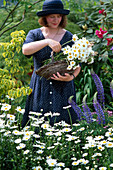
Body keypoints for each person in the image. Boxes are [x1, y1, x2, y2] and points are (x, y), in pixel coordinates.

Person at [21, 0, 81, 128]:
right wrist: (47, 41)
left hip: (63, 88)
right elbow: (25, 50)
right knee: (38, 123)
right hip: (40, 86)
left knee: (64, 124)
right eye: (52, 16)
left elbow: (77, 64)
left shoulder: (69, 37)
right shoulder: (35, 34)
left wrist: (71, 77)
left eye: (59, 16)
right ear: (45, 17)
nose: (56, 20)